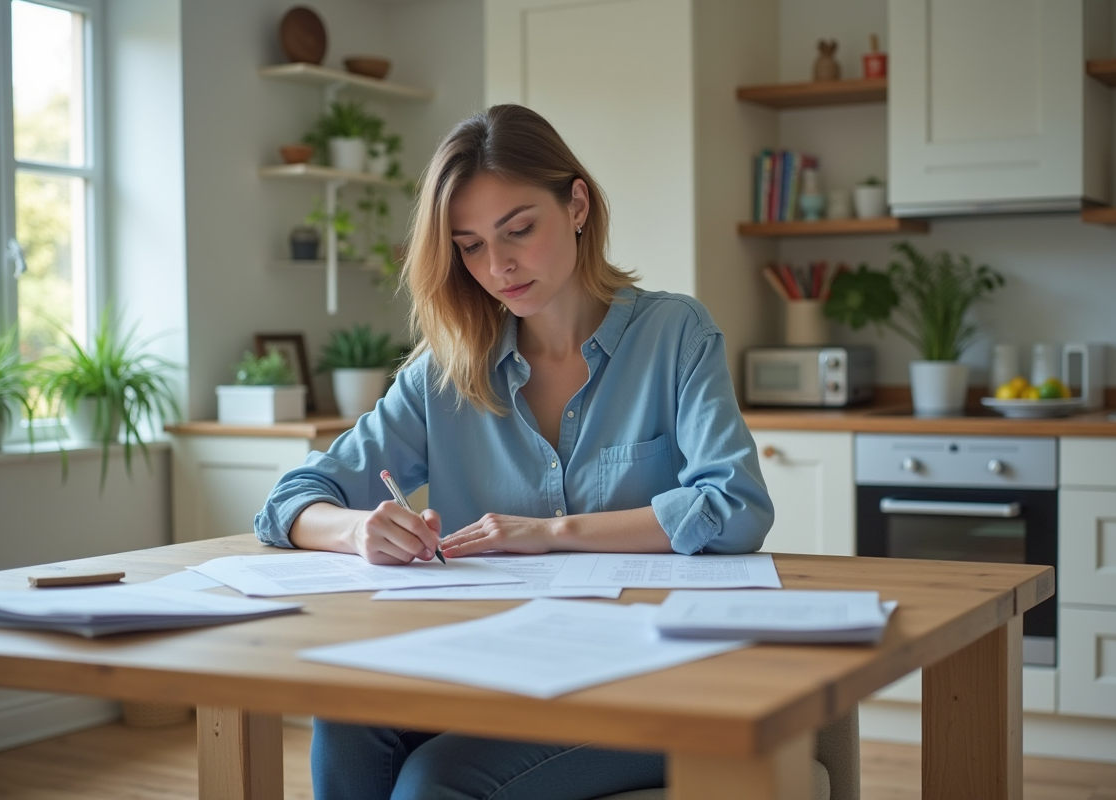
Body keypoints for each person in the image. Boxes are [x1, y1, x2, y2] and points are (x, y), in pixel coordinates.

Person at [254, 103, 774, 800]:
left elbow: (735, 507)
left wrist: (551, 534)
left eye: (518, 230)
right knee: (345, 721)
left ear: (577, 203)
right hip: (493, 666)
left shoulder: (675, 333)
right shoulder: (446, 371)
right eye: (469, 245)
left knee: (433, 783)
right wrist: (359, 529)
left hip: (646, 673)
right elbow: (289, 503)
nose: (497, 266)